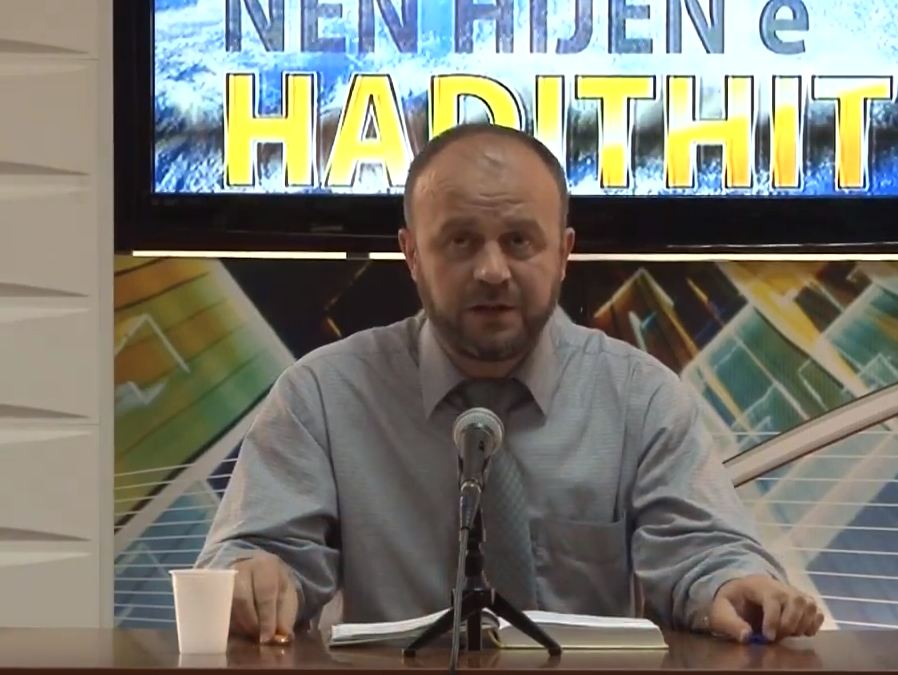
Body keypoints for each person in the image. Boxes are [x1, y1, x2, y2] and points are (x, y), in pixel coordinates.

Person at [195, 123, 824, 646]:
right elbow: (252, 555)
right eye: (460, 242)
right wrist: (252, 578)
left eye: (519, 241)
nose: (493, 271)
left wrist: (733, 586)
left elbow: (704, 552)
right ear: (411, 254)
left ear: (564, 253)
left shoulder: (642, 399)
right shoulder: (322, 396)